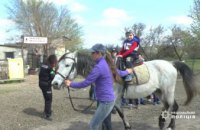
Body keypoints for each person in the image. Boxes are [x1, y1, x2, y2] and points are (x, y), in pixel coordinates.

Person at [65, 43, 132, 130]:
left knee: (93, 125)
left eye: (93, 53)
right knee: (107, 124)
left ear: (99, 53)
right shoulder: (106, 64)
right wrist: (127, 71)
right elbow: (118, 72)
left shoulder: (99, 67)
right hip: (106, 100)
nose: (91, 54)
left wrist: (71, 84)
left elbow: (85, 83)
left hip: (105, 102)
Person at [39, 54, 57, 120]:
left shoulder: (43, 64)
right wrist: (55, 72)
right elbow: (53, 76)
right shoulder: (50, 68)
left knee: (46, 98)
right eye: (55, 62)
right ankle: (48, 114)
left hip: (41, 83)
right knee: (49, 99)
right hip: (46, 85)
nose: (55, 63)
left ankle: (46, 110)